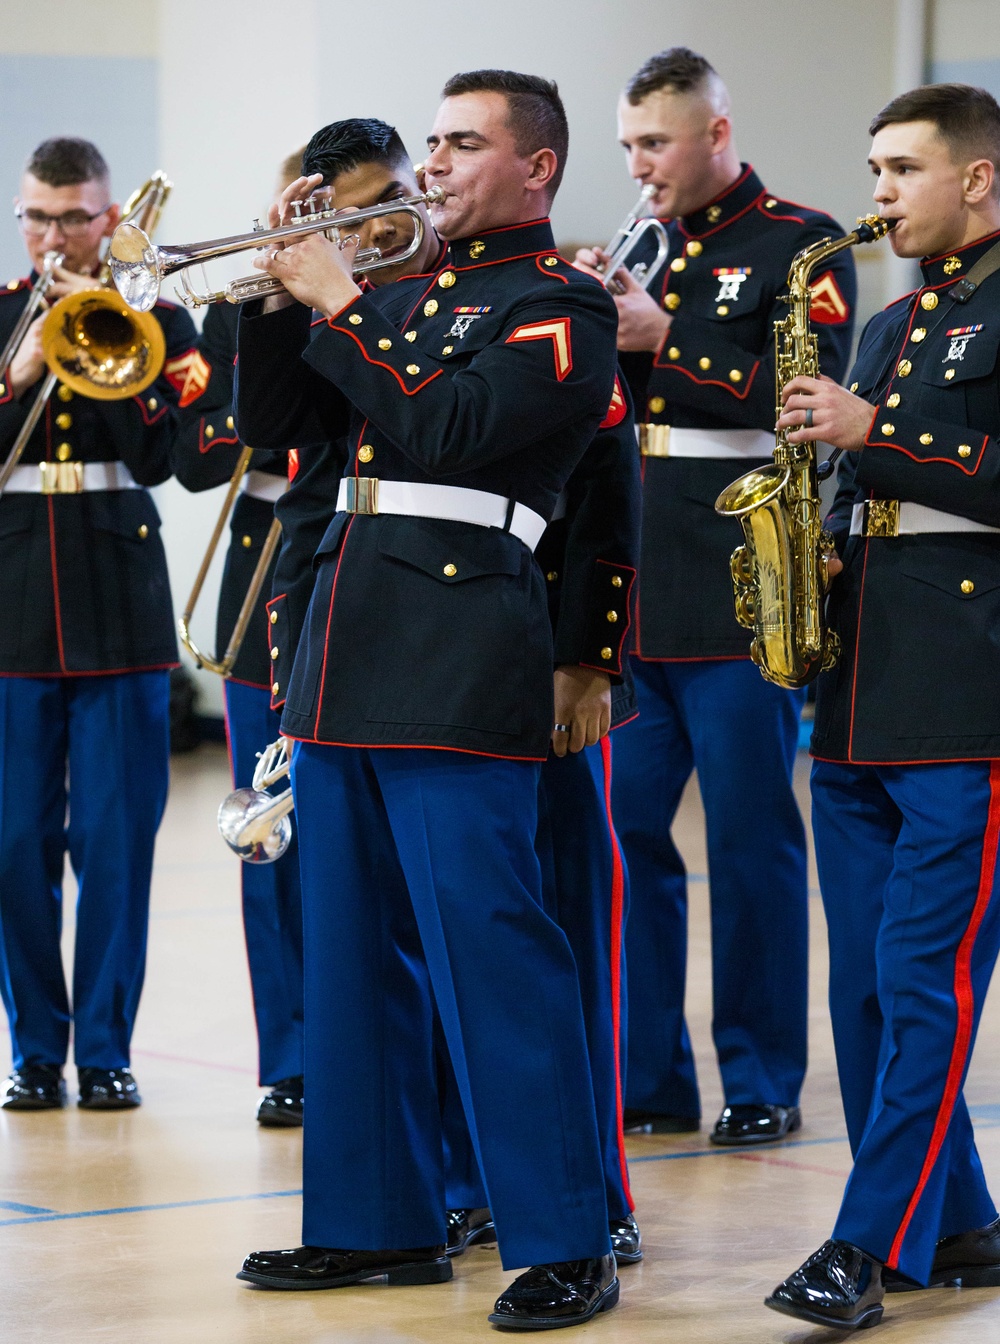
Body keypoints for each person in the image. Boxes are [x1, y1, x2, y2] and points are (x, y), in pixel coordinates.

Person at [233, 73, 627, 1330]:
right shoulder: (400, 294)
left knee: (496, 957)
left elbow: (453, 431)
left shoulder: (559, 303)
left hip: (462, 647)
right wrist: (269, 285)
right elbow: (275, 423)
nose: (435, 168)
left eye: (463, 146)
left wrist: (342, 297)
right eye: (436, 143)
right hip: (346, 641)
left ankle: (565, 1235)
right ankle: (372, 1223)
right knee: (347, 960)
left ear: (539, 168)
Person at [578, 47, 856, 1144]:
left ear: (714, 135)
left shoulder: (800, 242)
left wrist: (666, 337)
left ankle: (760, 1078)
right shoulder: (640, 244)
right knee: (627, 836)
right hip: (634, 582)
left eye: (655, 142)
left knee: (749, 842)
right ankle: (648, 1077)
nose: (639, 166)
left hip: (741, 586)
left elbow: (810, 394)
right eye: (628, 146)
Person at [765, 82, 1000, 1331]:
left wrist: (878, 433)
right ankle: (960, 1221)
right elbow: (873, 487)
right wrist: (828, 544)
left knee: (923, 980)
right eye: (872, 170)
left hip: (970, 692)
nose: (878, 195)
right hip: (858, 688)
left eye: (901, 170)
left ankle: (868, 1247)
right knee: (861, 984)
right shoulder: (890, 321)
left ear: (976, 177)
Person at [0, 138, 196, 1110]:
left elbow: (173, 457)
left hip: (119, 603)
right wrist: (21, 368)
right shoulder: (1, 315)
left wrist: (113, 342)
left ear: (111, 217)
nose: (54, 236)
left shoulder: (155, 314)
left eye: (75, 216)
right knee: (12, 843)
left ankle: (106, 1046)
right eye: (39, 215)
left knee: (118, 840)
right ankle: (35, 1049)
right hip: (11, 608)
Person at [171, 148, 308, 1128]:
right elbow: (186, 456)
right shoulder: (236, 311)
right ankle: (289, 1058)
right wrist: (258, 418)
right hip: (258, 576)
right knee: (263, 832)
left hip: (351, 562)